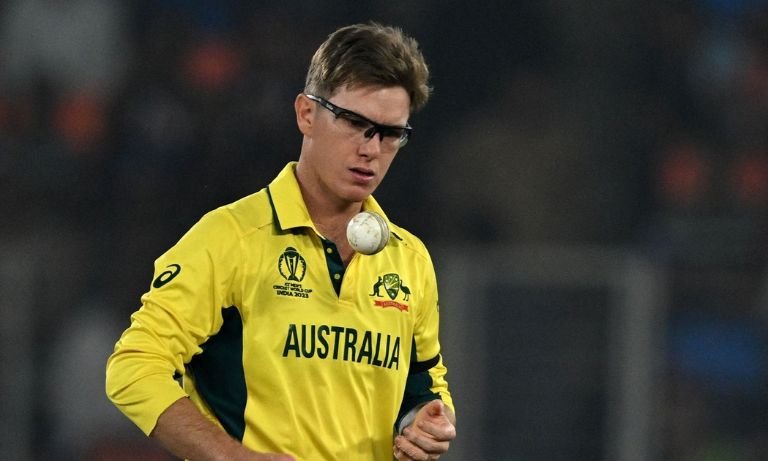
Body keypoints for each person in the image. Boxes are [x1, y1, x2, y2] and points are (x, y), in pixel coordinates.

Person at [106, 22, 456, 461]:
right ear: (306, 114)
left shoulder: (410, 259)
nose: (371, 149)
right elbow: (134, 367)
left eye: (390, 134)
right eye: (354, 122)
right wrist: (232, 457)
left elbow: (425, 381)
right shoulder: (230, 238)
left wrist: (426, 421)